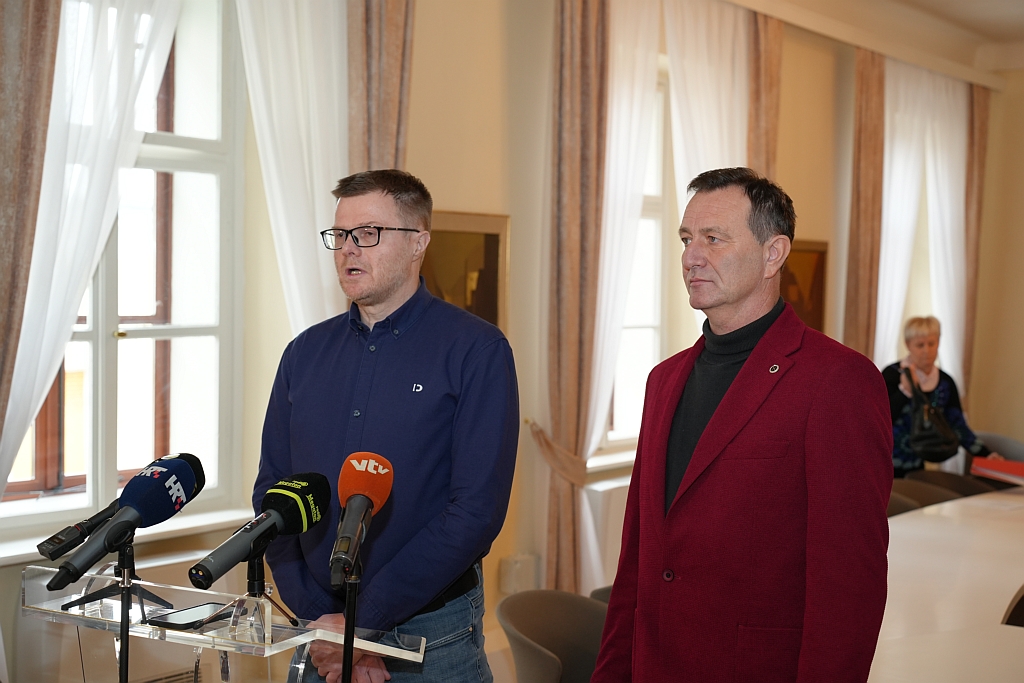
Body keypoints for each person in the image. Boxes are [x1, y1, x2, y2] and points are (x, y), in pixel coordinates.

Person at [591, 168, 892, 683]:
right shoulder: (664, 380)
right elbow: (637, 560)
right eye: (686, 239)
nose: (691, 256)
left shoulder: (837, 380)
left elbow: (848, 587)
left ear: (773, 254)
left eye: (713, 238)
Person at [254, 169, 519, 683]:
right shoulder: (303, 353)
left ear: (418, 241)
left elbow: (475, 512)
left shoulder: (477, 350)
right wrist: (325, 624)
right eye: (340, 235)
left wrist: (363, 624)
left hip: (430, 636)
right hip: (318, 630)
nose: (348, 249)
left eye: (368, 233)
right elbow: (274, 494)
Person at [882, 316, 1002, 478]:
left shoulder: (945, 381)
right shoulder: (891, 375)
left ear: (938, 342)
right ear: (908, 345)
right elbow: (880, 419)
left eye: (931, 343)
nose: (926, 350)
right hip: (885, 463)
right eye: (920, 345)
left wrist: (985, 455)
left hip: (919, 464)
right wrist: (905, 391)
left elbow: (957, 424)